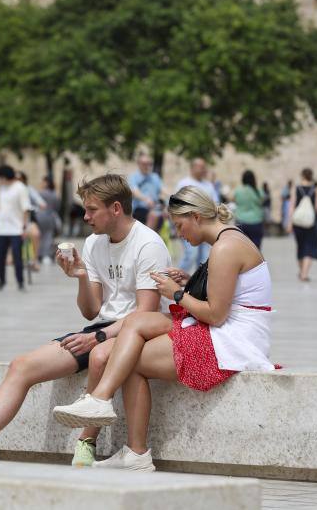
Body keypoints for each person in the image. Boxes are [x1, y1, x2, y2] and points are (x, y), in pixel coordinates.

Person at [0, 174, 171, 464]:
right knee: (22, 366)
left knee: (100, 355)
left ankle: (85, 443)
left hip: (135, 332)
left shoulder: (148, 244)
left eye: (92, 209)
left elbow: (145, 311)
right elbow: (91, 311)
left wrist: (98, 336)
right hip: (101, 328)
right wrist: (80, 277)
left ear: (115, 208)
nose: (86, 216)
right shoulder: (93, 243)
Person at [52, 186, 274, 471]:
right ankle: (102, 404)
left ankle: (132, 447)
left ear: (195, 216)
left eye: (180, 225)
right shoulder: (228, 241)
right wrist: (188, 281)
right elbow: (227, 291)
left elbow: (217, 314)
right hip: (225, 330)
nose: (180, 234)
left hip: (232, 341)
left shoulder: (226, 247)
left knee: (130, 359)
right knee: (135, 321)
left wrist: (177, 294)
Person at [176, 158, 219, 272]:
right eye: (201, 167)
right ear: (192, 168)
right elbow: (177, 205)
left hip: (205, 226)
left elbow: (215, 203)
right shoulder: (184, 183)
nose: (203, 170)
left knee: (204, 258)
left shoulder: (208, 185)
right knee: (191, 254)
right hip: (189, 226)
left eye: (204, 167)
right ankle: (176, 279)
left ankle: (198, 284)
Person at [286, 168, 317, 282]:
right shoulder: (315, 189)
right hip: (311, 223)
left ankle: (302, 271)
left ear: (302, 176)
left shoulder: (296, 188)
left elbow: (291, 206)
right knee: (309, 248)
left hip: (298, 222)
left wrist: (289, 223)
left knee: (300, 247)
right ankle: (304, 274)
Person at [18, 171, 46, 272]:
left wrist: (34, 208)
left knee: (36, 234)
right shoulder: (10, 190)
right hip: (15, 220)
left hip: (28, 218)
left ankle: (34, 260)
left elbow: (41, 203)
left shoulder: (28, 189)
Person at [128, 154, 162, 229]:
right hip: (139, 208)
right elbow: (134, 191)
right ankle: (147, 238)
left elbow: (162, 190)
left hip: (155, 207)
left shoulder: (155, 177)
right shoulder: (133, 177)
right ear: (139, 164)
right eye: (144, 164)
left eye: (149, 164)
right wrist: (146, 199)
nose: (147, 166)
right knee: (153, 215)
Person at [233, 170, 265, 249]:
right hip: (256, 221)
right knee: (256, 248)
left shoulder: (238, 191)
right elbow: (262, 201)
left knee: (241, 248)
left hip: (241, 221)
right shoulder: (258, 191)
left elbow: (235, 201)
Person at [35, 176, 61, 264]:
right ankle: (46, 255)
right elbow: (57, 207)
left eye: (43, 182)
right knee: (48, 237)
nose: (41, 184)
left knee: (39, 237)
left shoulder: (40, 193)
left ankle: (38, 254)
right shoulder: (54, 194)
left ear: (46, 183)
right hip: (50, 218)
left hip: (38, 217)